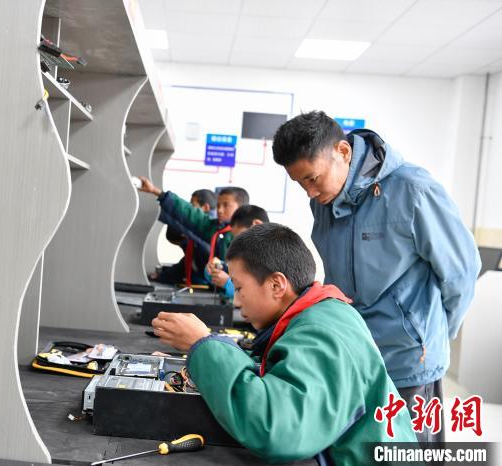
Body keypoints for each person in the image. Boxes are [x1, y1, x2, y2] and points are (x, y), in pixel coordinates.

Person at [271, 111, 481, 443]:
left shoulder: (413, 190)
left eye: (313, 178)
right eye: (300, 184)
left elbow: (461, 272)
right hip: (356, 355)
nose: (309, 193)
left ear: (342, 152)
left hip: (408, 362)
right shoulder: (323, 202)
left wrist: (433, 334)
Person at [152, 223, 416, 465]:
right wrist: (204, 358)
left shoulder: (320, 334)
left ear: (277, 285)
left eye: (239, 288)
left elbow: (277, 429)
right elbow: (285, 377)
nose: (237, 301)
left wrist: (204, 345)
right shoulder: (320, 314)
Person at [138, 176, 249, 267]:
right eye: (218, 205)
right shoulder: (215, 228)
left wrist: (227, 283)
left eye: (226, 205)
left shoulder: (246, 239)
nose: (220, 210)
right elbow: (189, 212)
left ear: (241, 208)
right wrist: (156, 192)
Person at [152, 189, 217, 285]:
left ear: (206, 207)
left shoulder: (211, 234)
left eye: (192, 205)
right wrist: (163, 275)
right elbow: (187, 262)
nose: (190, 209)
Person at [206, 204, 269, 298]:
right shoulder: (249, 254)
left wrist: (228, 284)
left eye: (241, 237)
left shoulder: (271, 255)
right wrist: (213, 268)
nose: (240, 244)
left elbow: (263, 295)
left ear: (256, 225)